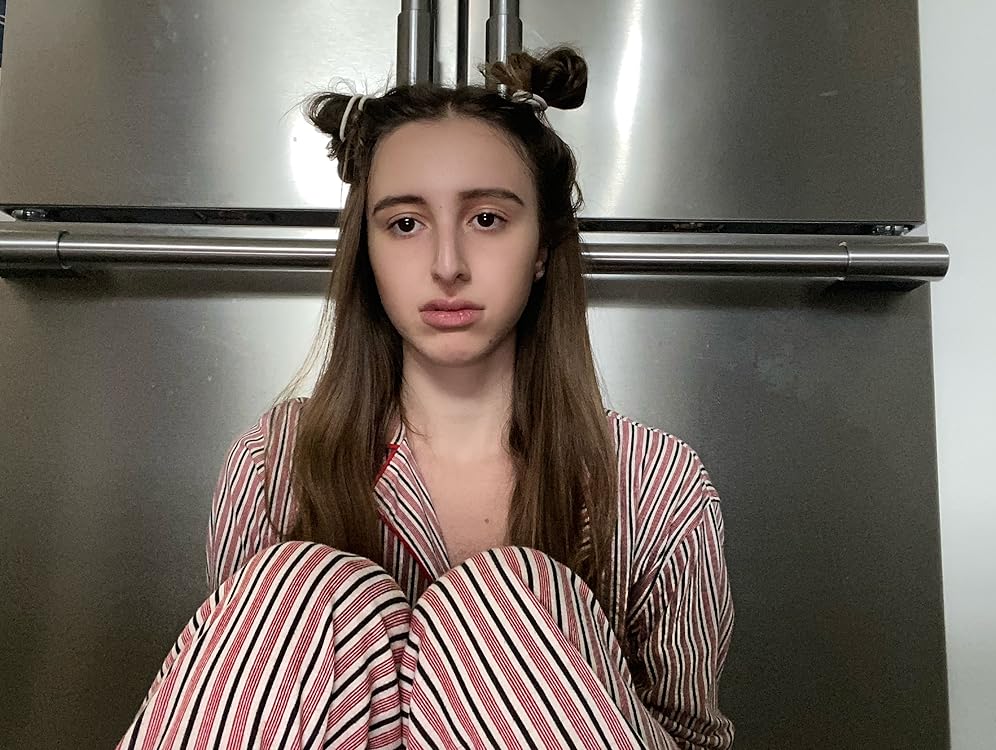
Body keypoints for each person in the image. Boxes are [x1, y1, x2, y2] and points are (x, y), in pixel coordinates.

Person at [117, 47, 734, 749]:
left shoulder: (658, 484)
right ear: (368, 250)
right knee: (299, 584)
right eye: (405, 224)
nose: (447, 266)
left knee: (505, 599)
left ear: (541, 248)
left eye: (487, 219)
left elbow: (691, 738)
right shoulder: (273, 462)